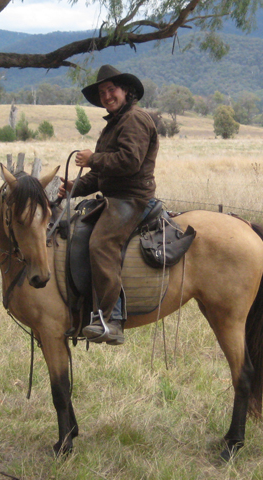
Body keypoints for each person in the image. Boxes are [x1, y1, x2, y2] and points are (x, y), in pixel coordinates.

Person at [58, 65, 159, 345]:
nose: (107, 95)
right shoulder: (115, 123)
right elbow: (103, 175)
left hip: (132, 198)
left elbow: (129, 162)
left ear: (126, 91)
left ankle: (109, 320)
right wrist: (73, 188)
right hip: (115, 196)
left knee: (101, 244)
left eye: (111, 89)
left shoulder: (135, 119)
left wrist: (93, 159)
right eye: (102, 92)